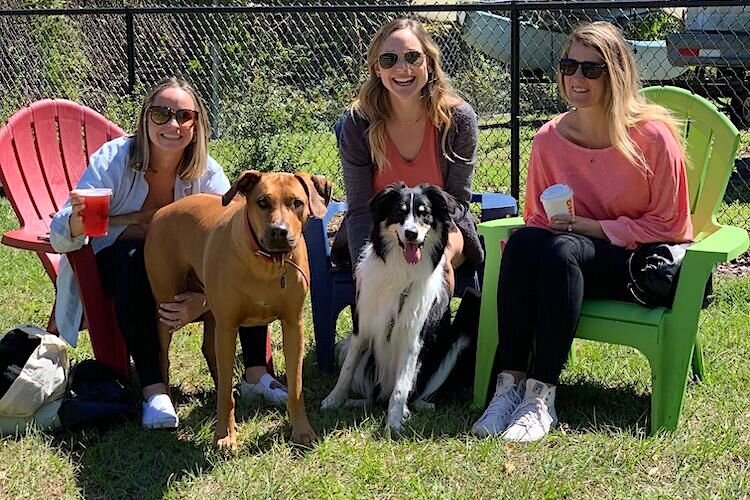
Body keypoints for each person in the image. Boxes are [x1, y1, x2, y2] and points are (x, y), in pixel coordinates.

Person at [472, 21, 694, 442]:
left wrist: (592, 227)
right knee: (524, 243)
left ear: (616, 74)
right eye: (568, 66)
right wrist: (536, 242)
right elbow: (538, 218)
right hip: (568, 263)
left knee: (563, 250)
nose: (576, 78)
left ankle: (542, 397)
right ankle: (508, 388)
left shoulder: (652, 138)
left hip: (636, 266)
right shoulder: (548, 140)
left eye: (591, 69)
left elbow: (671, 225)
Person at [50, 77, 287, 430]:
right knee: (135, 256)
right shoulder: (114, 161)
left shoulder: (205, 171)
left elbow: (238, 230)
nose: (172, 124)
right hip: (117, 266)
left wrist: (203, 299)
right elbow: (59, 231)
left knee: (249, 253)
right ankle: (154, 390)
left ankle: (254, 375)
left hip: (189, 272)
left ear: (196, 125)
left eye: (183, 116)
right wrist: (77, 222)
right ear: (146, 118)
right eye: (161, 113)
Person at [336, 17, 484, 292]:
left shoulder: (459, 119)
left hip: (441, 227)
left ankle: (433, 334)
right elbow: (359, 209)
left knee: (436, 271)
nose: (402, 68)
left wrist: (437, 251)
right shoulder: (358, 122)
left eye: (413, 57)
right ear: (376, 69)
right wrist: (363, 266)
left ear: (428, 62)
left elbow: (457, 203)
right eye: (389, 60)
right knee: (380, 278)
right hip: (378, 235)